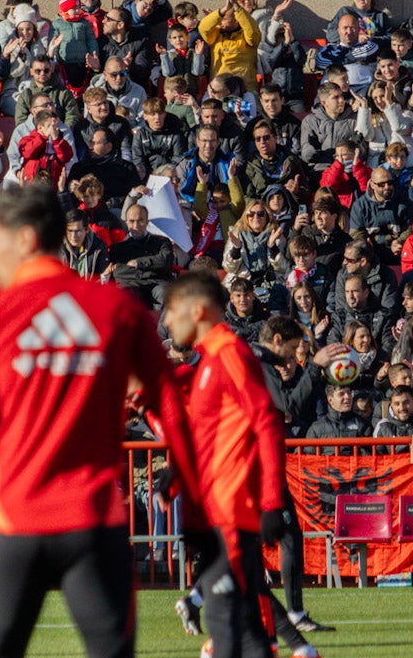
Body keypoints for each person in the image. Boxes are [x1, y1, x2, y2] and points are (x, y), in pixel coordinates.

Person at [0, 183, 199, 658]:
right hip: (94, 522)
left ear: (24, 239)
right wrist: (182, 463)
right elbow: (172, 406)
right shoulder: (120, 310)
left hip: (12, 524)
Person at [162, 272, 322, 658]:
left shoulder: (228, 353)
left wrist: (269, 503)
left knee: (230, 626)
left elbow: (266, 422)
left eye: (171, 311)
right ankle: (302, 650)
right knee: (246, 623)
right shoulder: (212, 358)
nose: (166, 321)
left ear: (197, 310)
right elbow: (208, 433)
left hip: (234, 505)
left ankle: (300, 649)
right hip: (216, 505)